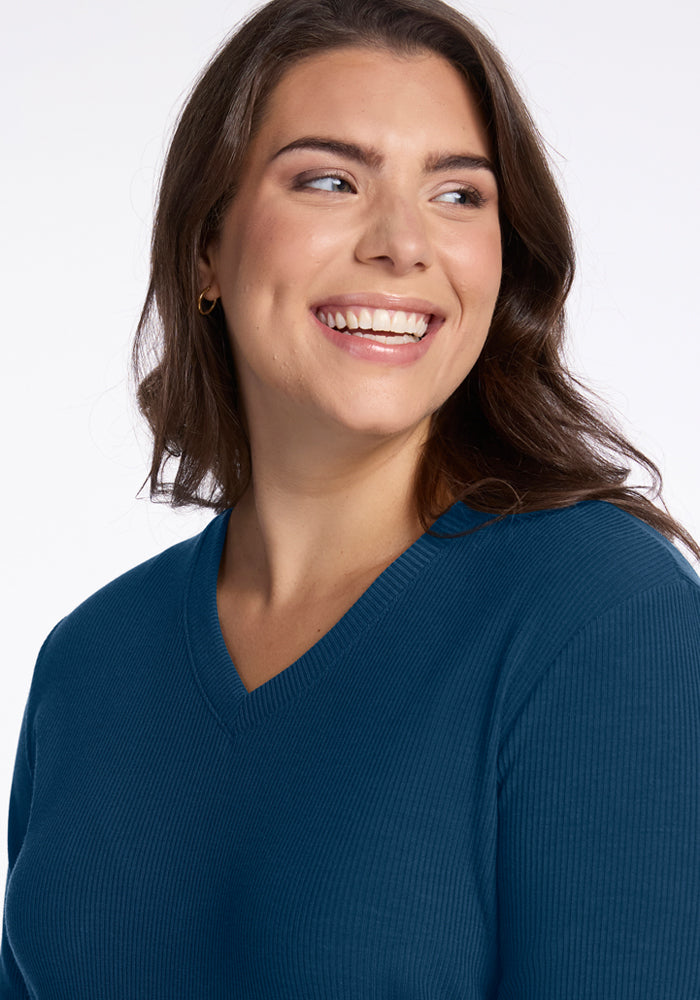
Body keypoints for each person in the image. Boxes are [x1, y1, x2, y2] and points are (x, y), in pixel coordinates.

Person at [2, 0, 699, 995]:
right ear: (207, 246)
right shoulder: (88, 664)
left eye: (459, 195)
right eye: (329, 180)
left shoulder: (601, 618)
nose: (402, 244)